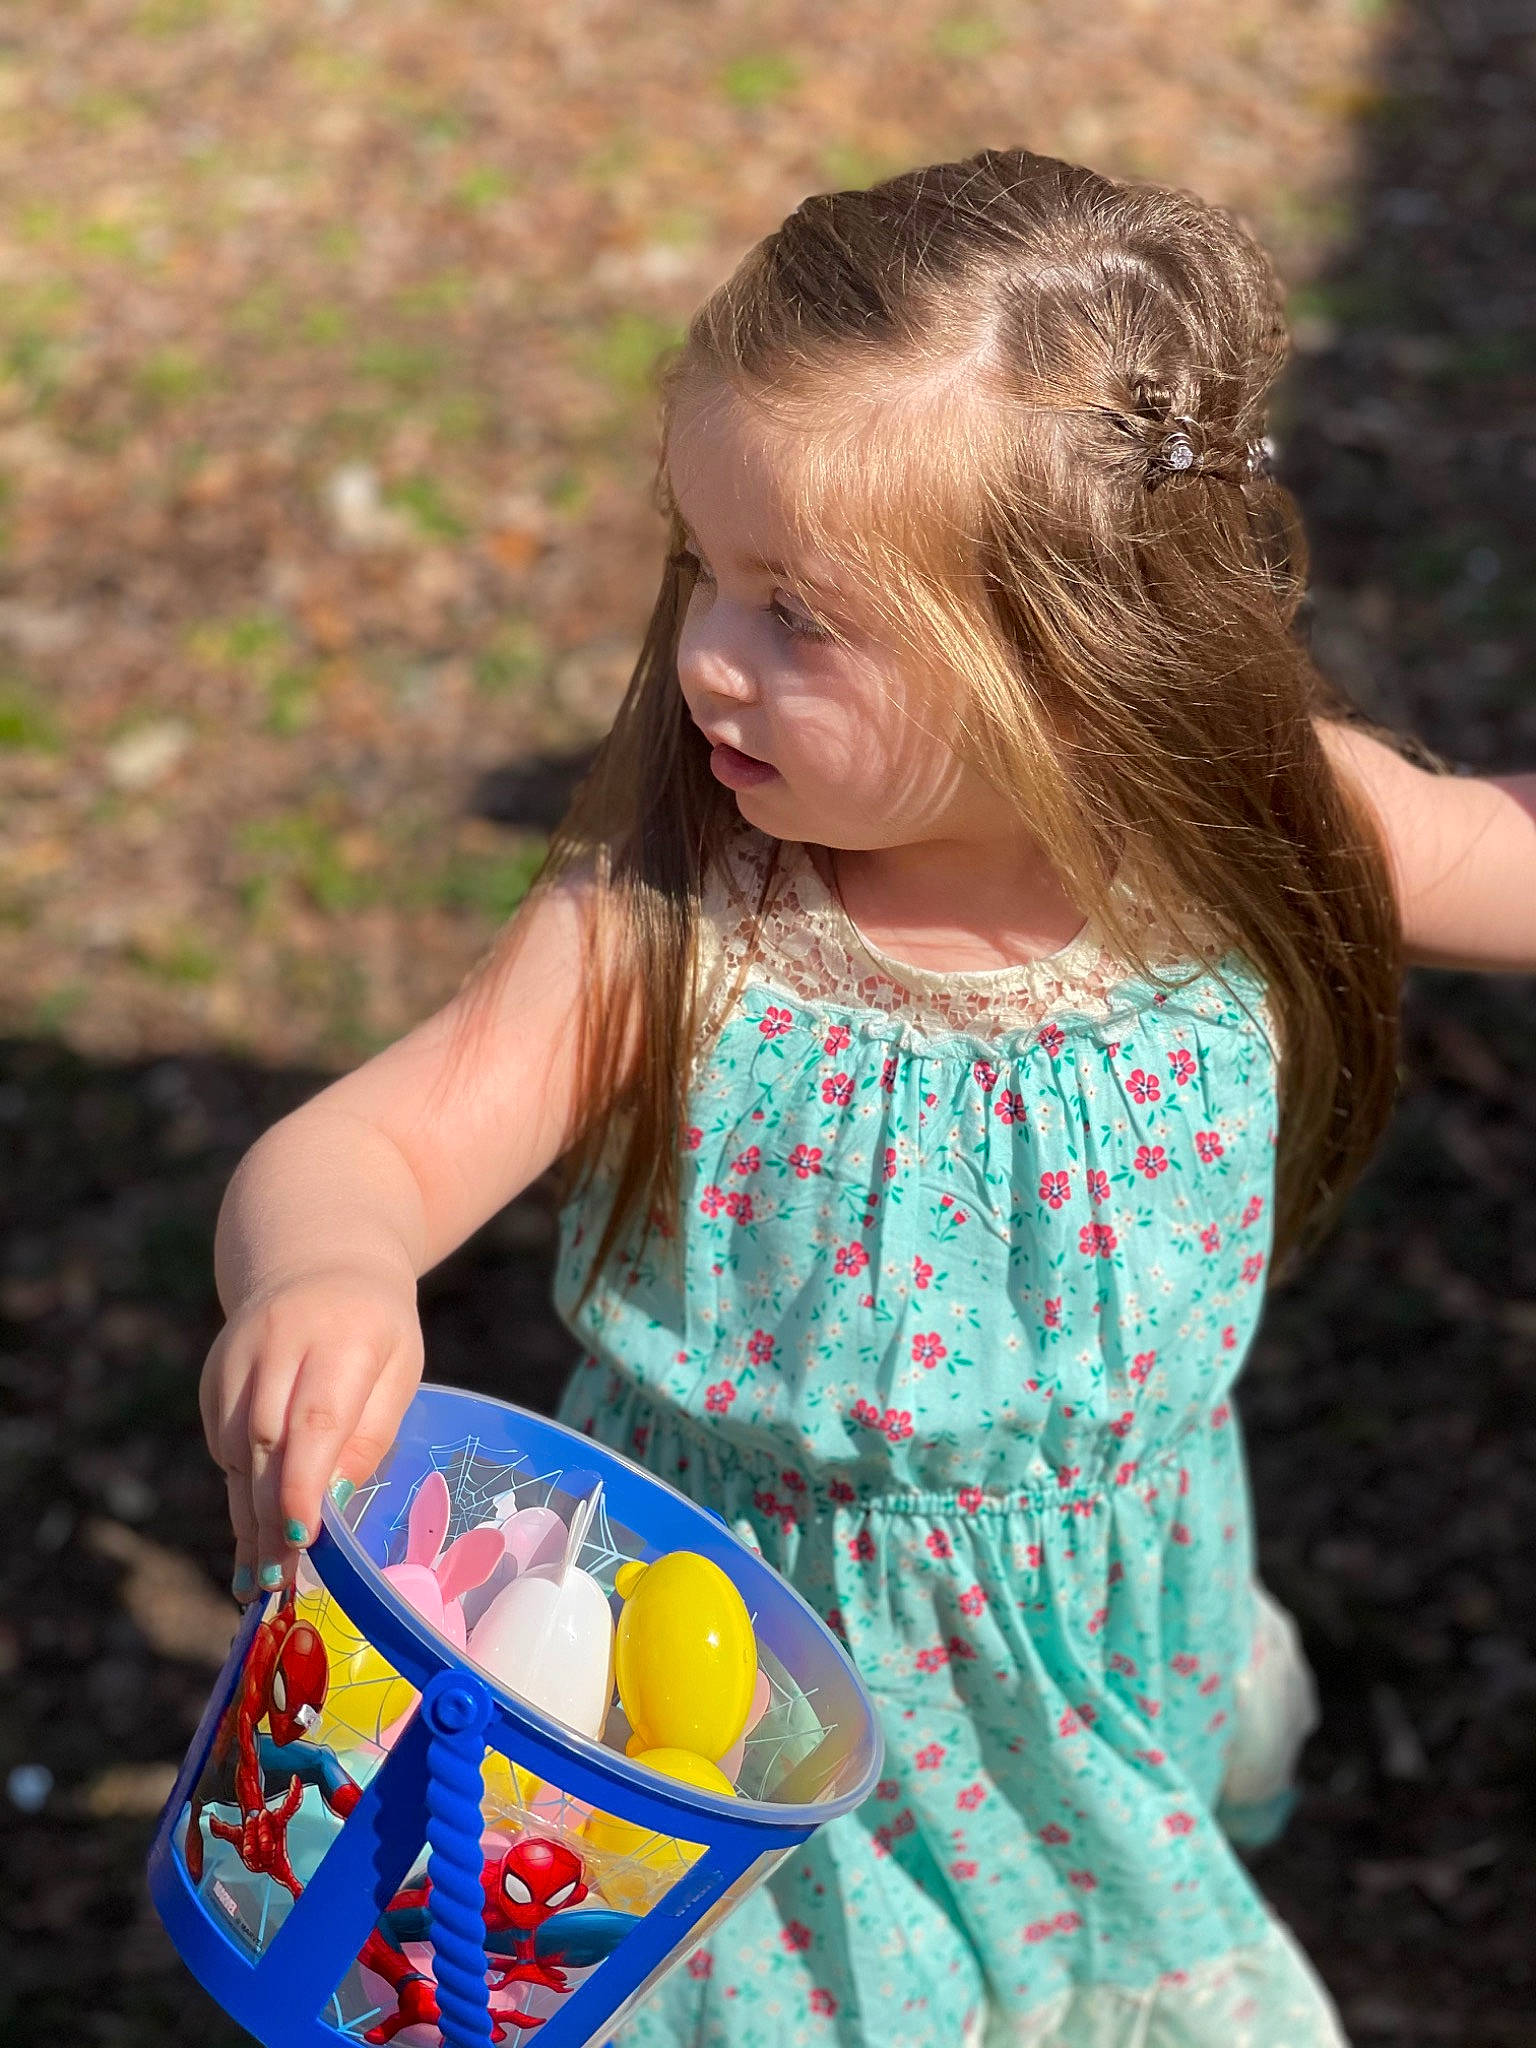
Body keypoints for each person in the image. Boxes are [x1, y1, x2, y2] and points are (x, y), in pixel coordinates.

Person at [200, 147, 1536, 2046]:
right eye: (706, 573)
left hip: (1100, 1645)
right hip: (729, 1697)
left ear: (1076, 659)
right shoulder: (684, 926)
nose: (709, 662)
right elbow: (368, 1145)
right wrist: (323, 1273)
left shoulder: (1266, 833)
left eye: (799, 618)